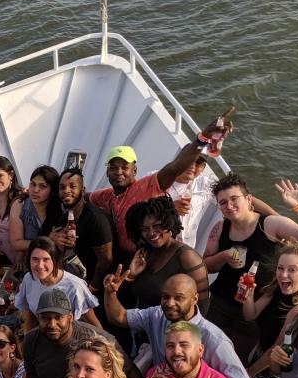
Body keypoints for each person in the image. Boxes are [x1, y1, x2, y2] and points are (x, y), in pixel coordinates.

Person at [103, 272, 254, 378]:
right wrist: (110, 292)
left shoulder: (215, 340)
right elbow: (119, 317)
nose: (170, 303)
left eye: (179, 298)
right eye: (165, 297)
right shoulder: (157, 315)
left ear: (194, 299)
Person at [90, 111, 236, 264]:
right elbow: (87, 197)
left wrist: (204, 136)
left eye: (124, 167)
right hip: (127, 257)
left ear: (134, 170)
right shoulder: (105, 196)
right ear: (107, 171)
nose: (119, 172)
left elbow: (175, 168)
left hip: (159, 254)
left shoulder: (149, 184)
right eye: (113, 168)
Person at [204, 173, 298, 359]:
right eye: (223, 202)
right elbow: (206, 266)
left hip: (254, 311)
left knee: (234, 359)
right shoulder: (220, 228)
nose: (229, 206)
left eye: (234, 199)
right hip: (219, 303)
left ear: (249, 199)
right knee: (203, 348)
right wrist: (223, 256)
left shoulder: (269, 225)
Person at [241, 242, 298, 378]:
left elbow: (276, 349)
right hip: (258, 354)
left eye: (292, 270)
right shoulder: (277, 288)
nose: (283, 275)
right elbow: (250, 315)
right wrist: (248, 294)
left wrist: (248, 374)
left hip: (274, 374)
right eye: (280, 268)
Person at [120, 196, 209, 311]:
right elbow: (124, 298)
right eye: (145, 229)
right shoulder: (144, 252)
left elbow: (201, 306)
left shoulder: (188, 257)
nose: (151, 233)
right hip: (136, 322)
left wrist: (179, 329)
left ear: (169, 222)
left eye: (157, 226)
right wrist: (131, 276)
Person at [15, 237, 100, 332]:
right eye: (35, 259)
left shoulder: (75, 286)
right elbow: (29, 314)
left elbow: (93, 323)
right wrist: (28, 341)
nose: (40, 265)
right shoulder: (29, 279)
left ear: (55, 260)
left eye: (46, 259)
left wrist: (106, 342)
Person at [48, 167, 112, 291]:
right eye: (62, 187)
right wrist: (53, 240)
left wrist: (93, 286)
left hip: (102, 284)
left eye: (72, 186)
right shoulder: (64, 218)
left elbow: (106, 259)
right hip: (81, 278)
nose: (66, 191)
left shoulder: (96, 218)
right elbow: (59, 252)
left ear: (83, 191)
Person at [9, 165, 62, 268]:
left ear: (53, 190)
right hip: (33, 261)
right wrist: (47, 240)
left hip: (57, 262)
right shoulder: (20, 205)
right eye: (33, 184)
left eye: (43, 186)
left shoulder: (61, 208)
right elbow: (16, 243)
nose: (35, 190)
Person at [163, 153, 218, 249]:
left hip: (186, 248)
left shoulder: (205, 185)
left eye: (198, 162)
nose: (192, 166)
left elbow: (231, 193)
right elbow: (140, 209)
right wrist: (169, 207)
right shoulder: (159, 179)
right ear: (179, 160)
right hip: (159, 243)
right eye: (189, 159)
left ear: (203, 168)